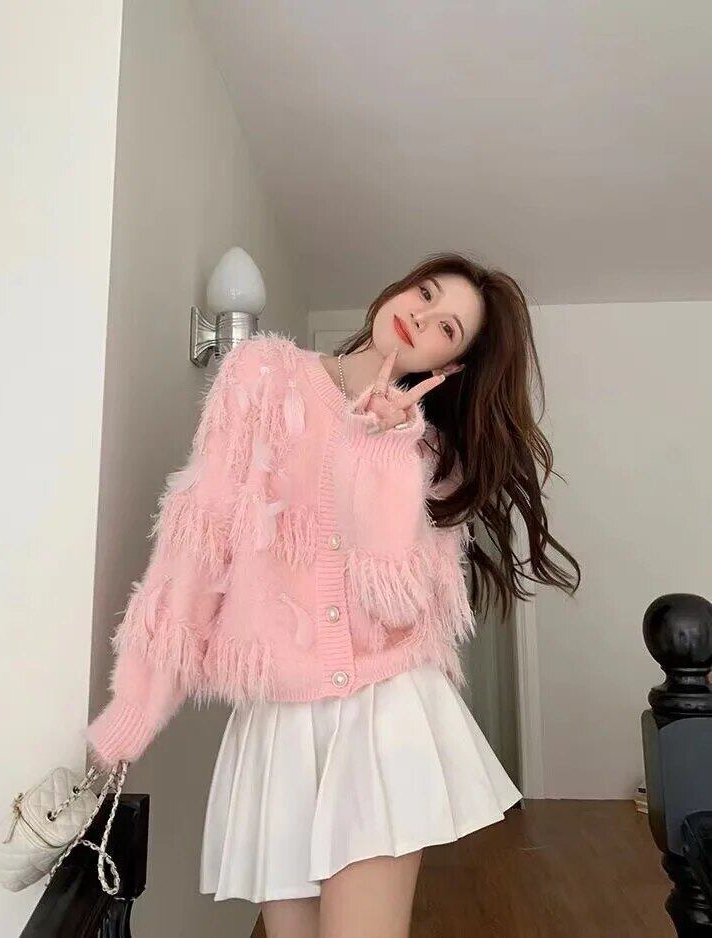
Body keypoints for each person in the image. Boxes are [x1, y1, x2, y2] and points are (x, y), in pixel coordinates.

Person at [84, 250, 580, 938]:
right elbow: (197, 542)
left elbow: (398, 607)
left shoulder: (428, 455)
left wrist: (382, 455)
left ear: (453, 365)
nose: (422, 317)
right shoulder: (261, 375)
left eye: (447, 328)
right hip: (279, 720)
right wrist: (134, 711)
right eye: (425, 293)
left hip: (382, 716)